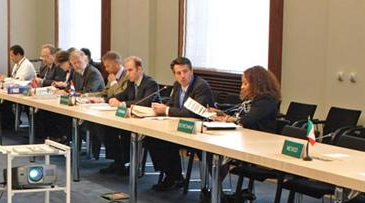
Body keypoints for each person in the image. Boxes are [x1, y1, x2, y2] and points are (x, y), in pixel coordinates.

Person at [146, 56, 215, 191]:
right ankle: (173, 176)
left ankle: (179, 179)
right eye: (178, 73)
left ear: (191, 71)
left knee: (166, 142)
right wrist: (161, 109)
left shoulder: (201, 86)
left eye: (185, 71)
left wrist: (165, 110)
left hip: (199, 132)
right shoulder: (177, 85)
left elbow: (192, 112)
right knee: (153, 138)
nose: (182, 76)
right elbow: (172, 105)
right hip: (180, 128)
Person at [101, 56, 160, 175]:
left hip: (148, 123)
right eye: (127, 70)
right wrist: (104, 100)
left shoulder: (150, 83)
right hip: (132, 120)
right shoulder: (131, 83)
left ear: (139, 70)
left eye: (130, 70)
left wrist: (121, 104)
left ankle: (128, 163)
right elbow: (122, 95)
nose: (127, 73)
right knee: (107, 127)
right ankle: (119, 162)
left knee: (125, 132)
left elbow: (144, 102)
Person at [213, 65, 280, 133]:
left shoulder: (267, 100)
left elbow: (248, 120)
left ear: (257, 84)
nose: (242, 87)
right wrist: (219, 112)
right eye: (242, 83)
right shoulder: (251, 98)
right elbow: (237, 111)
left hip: (259, 137)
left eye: (245, 83)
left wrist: (228, 119)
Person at [0, 45, 37, 129]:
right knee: (3, 101)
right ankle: (8, 124)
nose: (11, 58)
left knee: (5, 102)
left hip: (27, 92)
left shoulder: (27, 65)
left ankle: (10, 124)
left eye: (12, 55)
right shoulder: (17, 65)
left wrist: (6, 79)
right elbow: (13, 79)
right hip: (18, 91)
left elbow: (18, 81)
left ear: (18, 54)